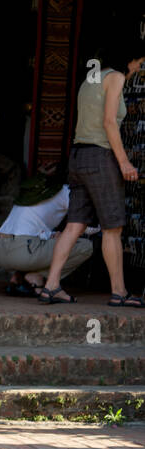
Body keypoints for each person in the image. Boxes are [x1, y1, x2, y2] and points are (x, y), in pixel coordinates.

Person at [40, 38, 145, 306]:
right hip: (100, 157)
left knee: (75, 223)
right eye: (138, 64)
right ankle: (119, 292)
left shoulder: (91, 79)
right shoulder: (117, 77)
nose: (137, 70)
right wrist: (124, 162)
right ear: (128, 60)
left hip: (78, 156)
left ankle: (51, 285)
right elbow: (109, 122)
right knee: (113, 227)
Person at [0, 173, 92, 296]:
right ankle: (37, 276)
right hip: (23, 251)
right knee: (85, 246)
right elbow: (86, 227)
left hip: (0, 251)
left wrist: (55, 235)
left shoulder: (36, 191)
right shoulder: (67, 192)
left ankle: (19, 275)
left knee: (56, 241)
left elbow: (32, 224)